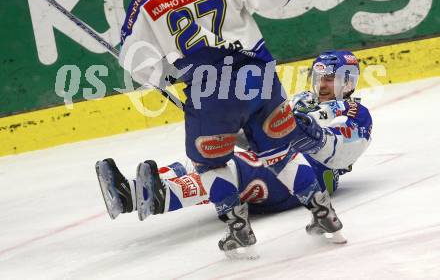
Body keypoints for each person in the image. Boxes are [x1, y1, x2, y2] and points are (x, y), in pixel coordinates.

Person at [96, 0, 341, 257]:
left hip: (207, 90)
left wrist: (167, 75)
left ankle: (238, 229)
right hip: (258, 78)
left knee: (210, 164)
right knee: (280, 153)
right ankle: (323, 213)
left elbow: (137, 64)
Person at [97, 50, 372, 246]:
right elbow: (259, 134)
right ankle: (130, 193)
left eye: (331, 78)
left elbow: (342, 153)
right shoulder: (300, 99)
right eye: (320, 77)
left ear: (347, 81)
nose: (323, 84)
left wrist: (311, 135)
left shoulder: (354, 111)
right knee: (209, 156)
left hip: (306, 178)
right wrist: (230, 125)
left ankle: (162, 196)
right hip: (277, 164)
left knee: (233, 169)